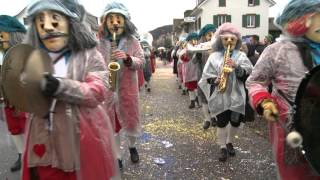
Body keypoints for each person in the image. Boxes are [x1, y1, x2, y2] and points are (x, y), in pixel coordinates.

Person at [22, 0, 118, 179]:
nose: (48, 27)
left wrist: (61, 87)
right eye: (40, 20)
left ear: (70, 23)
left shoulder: (89, 55)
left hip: (79, 139)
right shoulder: (33, 57)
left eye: (55, 18)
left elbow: (98, 91)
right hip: (43, 139)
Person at [246, 0, 320, 179]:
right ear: (300, 21)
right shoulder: (277, 51)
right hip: (290, 129)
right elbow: (255, 82)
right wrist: (264, 101)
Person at [98, 1, 145, 169]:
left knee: (131, 121)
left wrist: (127, 58)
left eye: (119, 19)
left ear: (125, 21)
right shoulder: (99, 41)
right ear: (105, 22)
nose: (115, 23)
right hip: (108, 90)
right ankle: (117, 156)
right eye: (111, 20)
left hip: (127, 90)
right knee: (113, 125)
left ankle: (132, 146)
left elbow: (142, 61)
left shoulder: (132, 41)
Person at [198, 23, 253, 162]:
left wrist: (237, 67)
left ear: (237, 40)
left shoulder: (241, 56)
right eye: (225, 39)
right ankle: (222, 147)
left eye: (232, 39)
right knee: (222, 122)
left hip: (237, 95)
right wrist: (214, 80)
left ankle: (229, 142)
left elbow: (250, 74)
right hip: (220, 95)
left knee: (235, 122)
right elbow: (205, 76)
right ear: (220, 40)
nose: (229, 42)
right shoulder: (214, 56)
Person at [0, 15, 27, 172]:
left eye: (2, 34)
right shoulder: (4, 54)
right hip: (9, 100)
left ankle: (33, 159)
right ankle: (21, 155)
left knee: (29, 129)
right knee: (14, 129)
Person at [196, 24, 217, 129]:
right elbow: (194, 62)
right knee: (204, 98)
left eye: (213, 34)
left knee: (214, 96)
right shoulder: (200, 46)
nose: (211, 36)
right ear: (204, 36)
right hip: (203, 76)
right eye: (209, 34)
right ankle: (207, 119)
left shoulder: (217, 46)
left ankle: (214, 117)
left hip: (214, 76)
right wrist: (197, 55)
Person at [182, 32, 200, 109]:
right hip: (189, 70)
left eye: (195, 39)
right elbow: (182, 58)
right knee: (190, 87)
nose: (194, 41)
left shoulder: (199, 47)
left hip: (197, 69)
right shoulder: (186, 49)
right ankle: (192, 101)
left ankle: (198, 100)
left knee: (197, 87)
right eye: (192, 40)